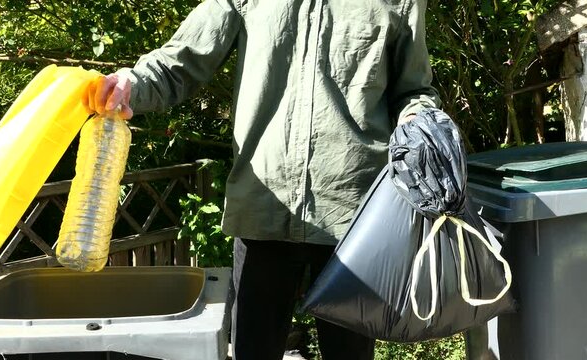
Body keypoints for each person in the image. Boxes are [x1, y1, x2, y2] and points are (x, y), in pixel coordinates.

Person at [84, 1, 440, 359]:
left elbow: (413, 90)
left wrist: (421, 120)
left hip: (352, 216)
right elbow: (182, 60)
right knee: (252, 351)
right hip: (264, 208)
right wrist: (131, 83)